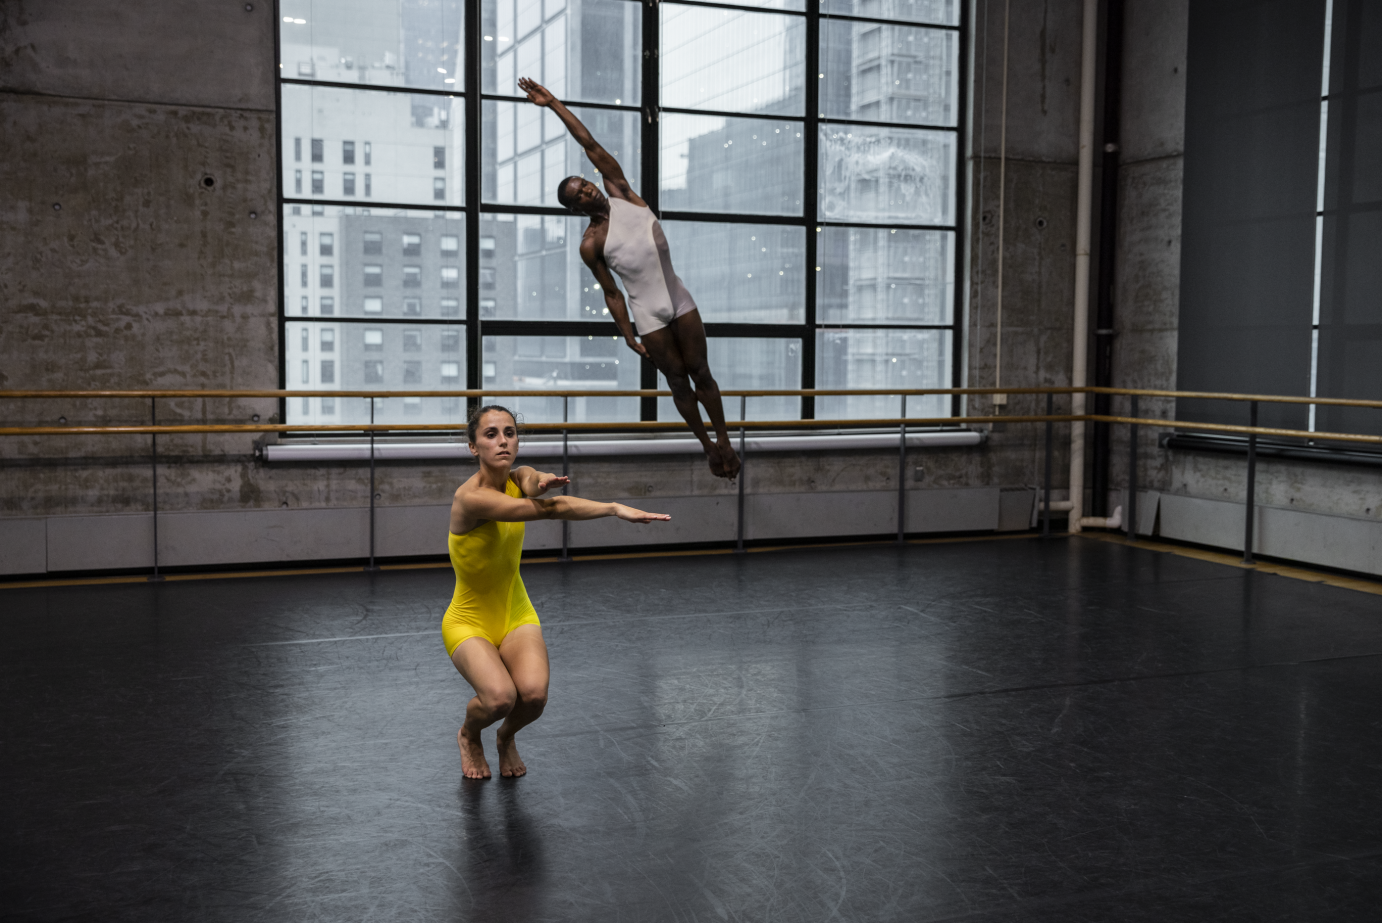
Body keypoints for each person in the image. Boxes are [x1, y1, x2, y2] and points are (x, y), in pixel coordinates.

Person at [518, 76, 742, 481]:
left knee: (702, 373)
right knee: (677, 383)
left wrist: (552, 103)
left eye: (586, 184)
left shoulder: (621, 192)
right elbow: (612, 293)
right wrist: (626, 334)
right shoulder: (591, 244)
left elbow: (589, 144)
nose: (589, 191)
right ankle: (707, 447)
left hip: (680, 299)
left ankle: (724, 439)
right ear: (575, 208)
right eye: (581, 195)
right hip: (647, 316)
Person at [444, 404, 670, 779]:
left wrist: (542, 480)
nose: (503, 441)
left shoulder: (518, 476)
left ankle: (506, 737)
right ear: (473, 447)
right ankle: (469, 735)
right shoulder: (471, 499)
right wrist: (614, 508)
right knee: (500, 698)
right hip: (468, 621)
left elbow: (533, 481)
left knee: (532, 698)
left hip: (515, 612)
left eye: (510, 433)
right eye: (491, 435)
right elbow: (548, 509)